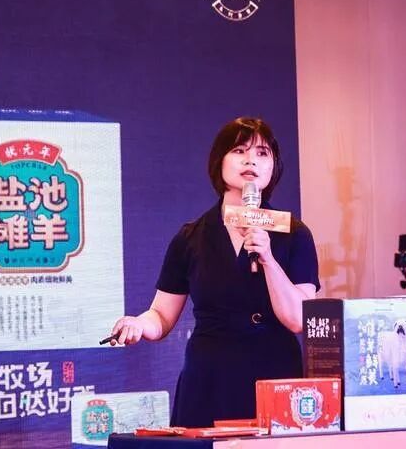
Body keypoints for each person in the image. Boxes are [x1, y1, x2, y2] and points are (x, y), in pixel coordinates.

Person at [107, 116, 320, 427]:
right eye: (239, 150)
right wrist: (139, 324)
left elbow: (298, 319)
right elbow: (162, 315)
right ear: (219, 161)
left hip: (274, 376)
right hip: (209, 377)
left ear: (273, 166)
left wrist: (268, 260)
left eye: (262, 153)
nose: (251, 160)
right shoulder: (190, 237)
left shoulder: (294, 233)